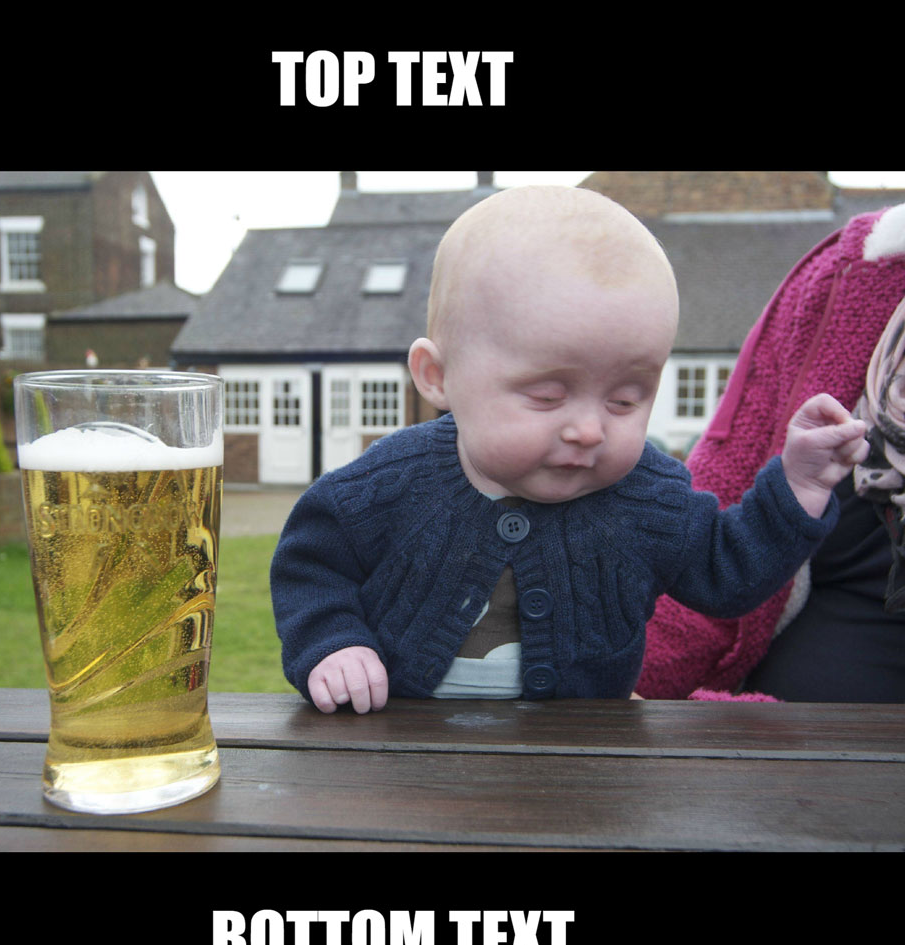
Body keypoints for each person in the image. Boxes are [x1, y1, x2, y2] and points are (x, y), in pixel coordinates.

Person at [270, 186, 869, 713]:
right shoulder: (392, 480)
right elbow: (312, 561)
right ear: (437, 376)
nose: (589, 429)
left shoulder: (647, 497)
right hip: (393, 756)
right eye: (548, 394)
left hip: (579, 764)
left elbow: (728, 573)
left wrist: (799, 489)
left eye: (625, 400)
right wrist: (333, 642)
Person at [638, 202, 905, 702]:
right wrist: (615, 698)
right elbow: (716, 557)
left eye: (625, 399)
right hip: (790, 750)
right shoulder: (851, 273)